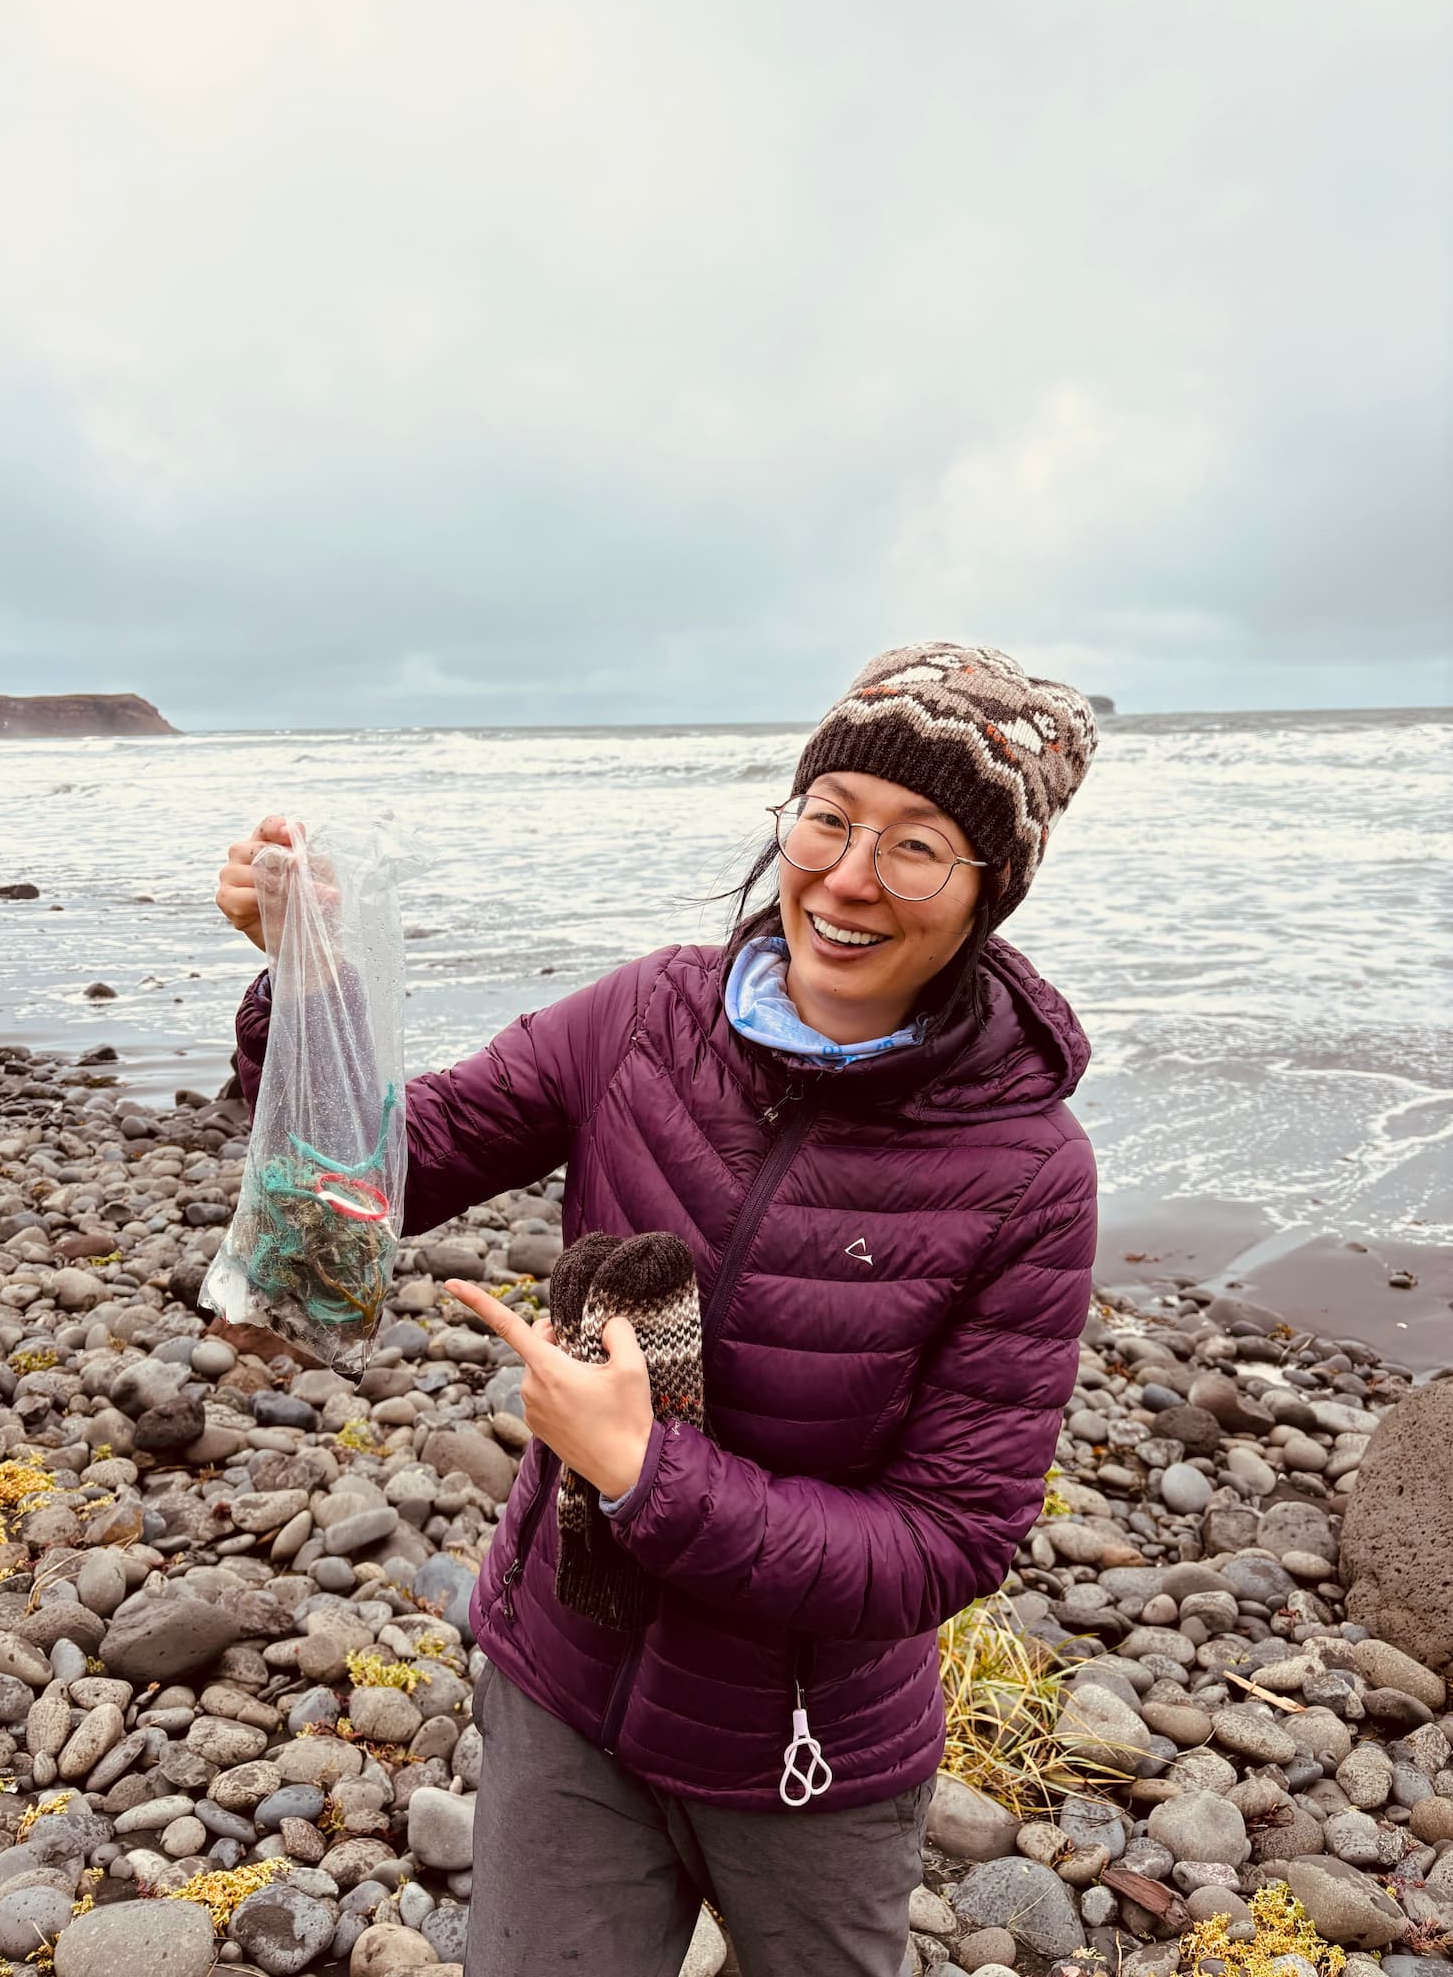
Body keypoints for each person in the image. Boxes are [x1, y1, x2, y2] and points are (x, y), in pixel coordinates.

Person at [215, 643, 1101, 1977]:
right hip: (563, 1688)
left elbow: (948, 1540)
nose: (851, 878)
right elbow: (382, 1175)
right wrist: (313, 982)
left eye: (919, 846)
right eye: (830, 818)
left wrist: (645, 1474)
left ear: (993, 892)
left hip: (812, 1755)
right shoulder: (644, 1020)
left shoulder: (1026, 1170)